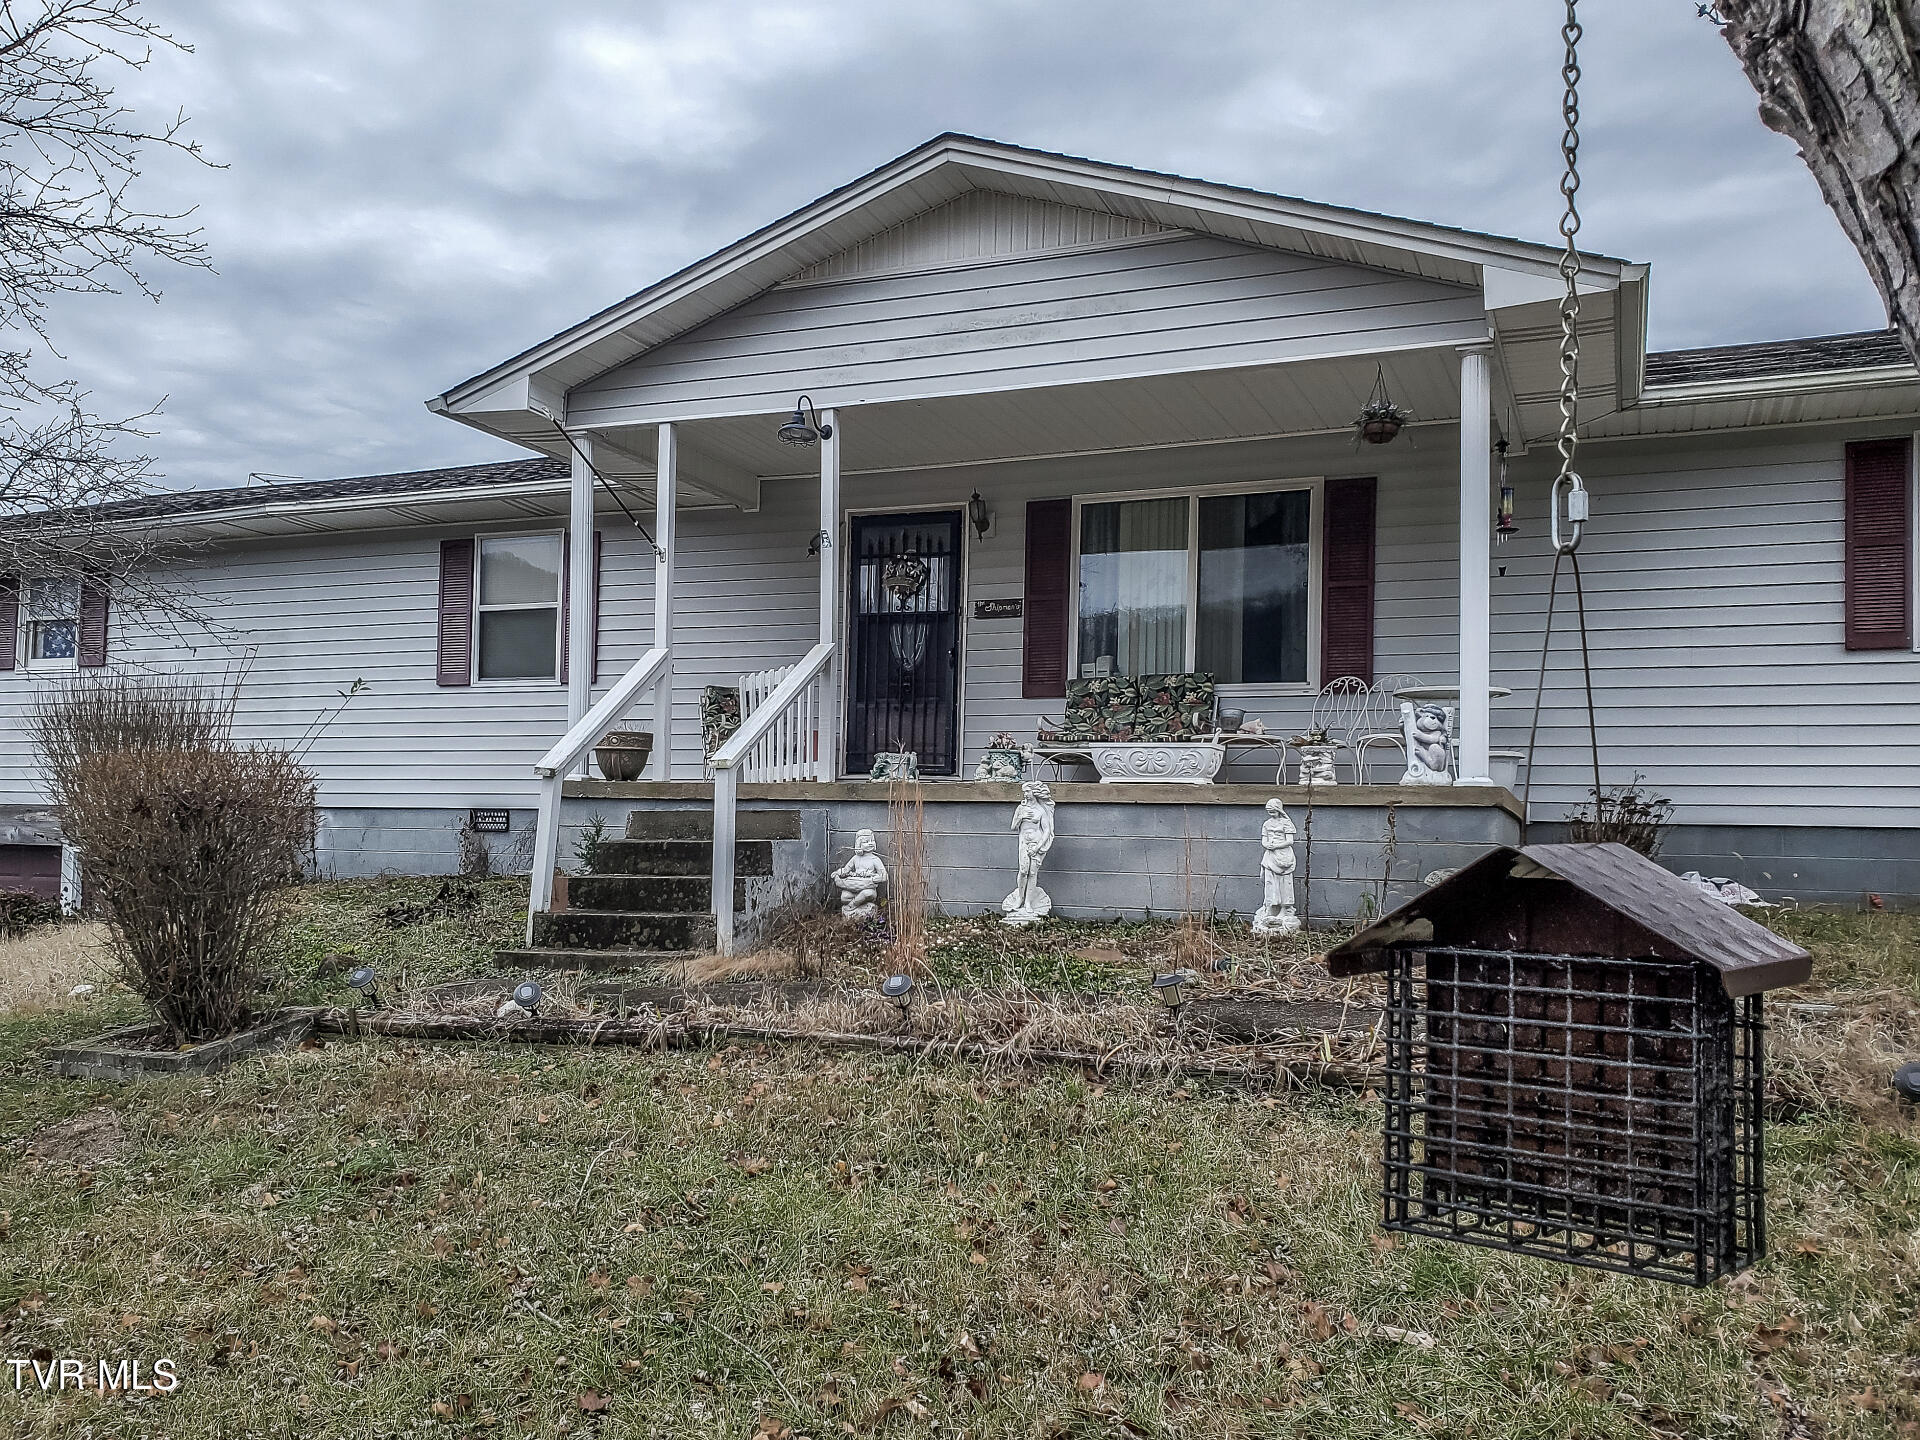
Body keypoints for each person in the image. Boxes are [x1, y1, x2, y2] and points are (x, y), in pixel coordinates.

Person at [1002, 780, 1056, 924]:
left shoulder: (1040, 810)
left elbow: (1047, 831)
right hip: (1024, 843)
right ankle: (1019, 899)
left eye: (1027, 791)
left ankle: (1028, 903)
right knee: (1023, 871)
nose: (1025, 794)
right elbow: (1013, 826)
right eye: (1024, 791)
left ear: (1034, 793)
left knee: (1032, 873)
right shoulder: (1021, 808)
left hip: (1036, 844)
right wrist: (1021, 817)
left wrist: (1037, 847)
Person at [830, 828, 887, 918]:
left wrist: (875, 878)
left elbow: (884, 876)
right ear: (859, 844)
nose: (870, 843)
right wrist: (838, 873)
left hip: (868, 888)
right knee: (844, 897)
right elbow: (846, 870)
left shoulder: (875, 859)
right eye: (866, 842)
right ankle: (855, 906)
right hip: (853, 887)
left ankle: (852, 906)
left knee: (867, 894)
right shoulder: (856, 858)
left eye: (872, 840)